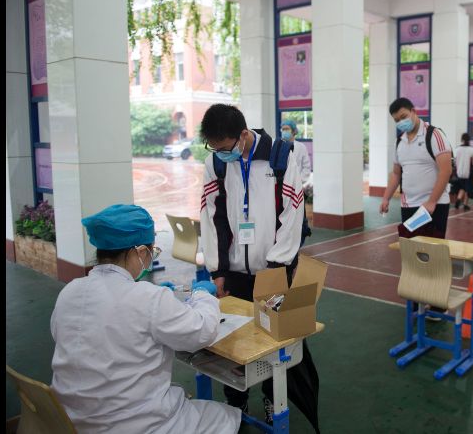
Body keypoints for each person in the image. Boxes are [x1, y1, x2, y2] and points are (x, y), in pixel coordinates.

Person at [50, 204, 240, 434]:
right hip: (134, 425)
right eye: (152, 251)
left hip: (71, 421)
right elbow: (203, 331)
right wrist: (202, 294)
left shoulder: (70, 291)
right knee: (228, 417)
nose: (151, 257)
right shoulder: (148, 298)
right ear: (140, 252)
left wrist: (161, 298)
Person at [199, 104, 319, 430]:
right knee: (231, 340)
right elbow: (211, 217)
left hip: (272, 270)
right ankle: (235, 401)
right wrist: (218, 270)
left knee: (272, 343)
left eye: (224, 147)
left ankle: (271, 398)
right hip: (234, 272)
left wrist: (276, 266)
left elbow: (292, 215)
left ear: (242, 135)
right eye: (213, 148)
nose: (219, 154)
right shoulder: (216, 165)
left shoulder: (280, 156)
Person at [380, 97, 453, 319]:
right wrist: (385, 197)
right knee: (412, 255)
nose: (401, 121)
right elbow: (396, 173)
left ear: (413, 111)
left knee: (434, 255)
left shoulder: (434, 135)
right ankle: (416, 299)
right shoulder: (400, 142)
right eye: (396, 120)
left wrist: (431, 201)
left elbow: (445, 170)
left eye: (403, 116)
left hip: (434, 207)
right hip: (409, 208)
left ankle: (438, 303)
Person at [453, 132, 473, 211]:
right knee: (468, 189)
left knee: (462, 187)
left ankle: (458, 199)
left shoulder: (457, 149)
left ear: (462, 140)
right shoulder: (472, 150)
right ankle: (465, 204)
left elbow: (454, 161)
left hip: (459, 172)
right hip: (469, 173)